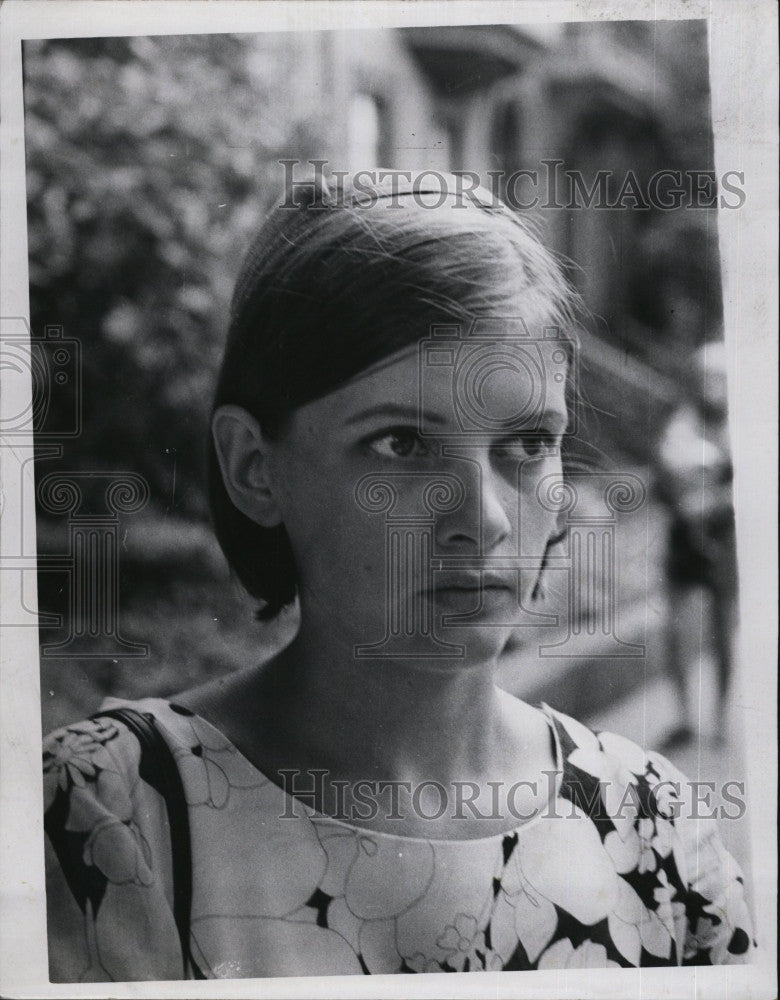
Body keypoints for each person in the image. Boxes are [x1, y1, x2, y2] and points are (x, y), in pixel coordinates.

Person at [43, 173, 753, 981]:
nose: (482, 519)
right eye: (403, 446)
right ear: (254, 467)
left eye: (526, 443)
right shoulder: (118, 821)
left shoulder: (651, 832)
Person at [655, 340, 738, 749]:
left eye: (718, 378)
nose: (711, 386)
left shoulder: (741, 426)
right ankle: (685, 716)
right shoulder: (680, 426)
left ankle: (720, 718)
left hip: (725, 538)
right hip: (686, 539)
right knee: (676, 631)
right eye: (705, 377)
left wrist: (713, 502)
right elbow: (666, 479)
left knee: (724, 630)